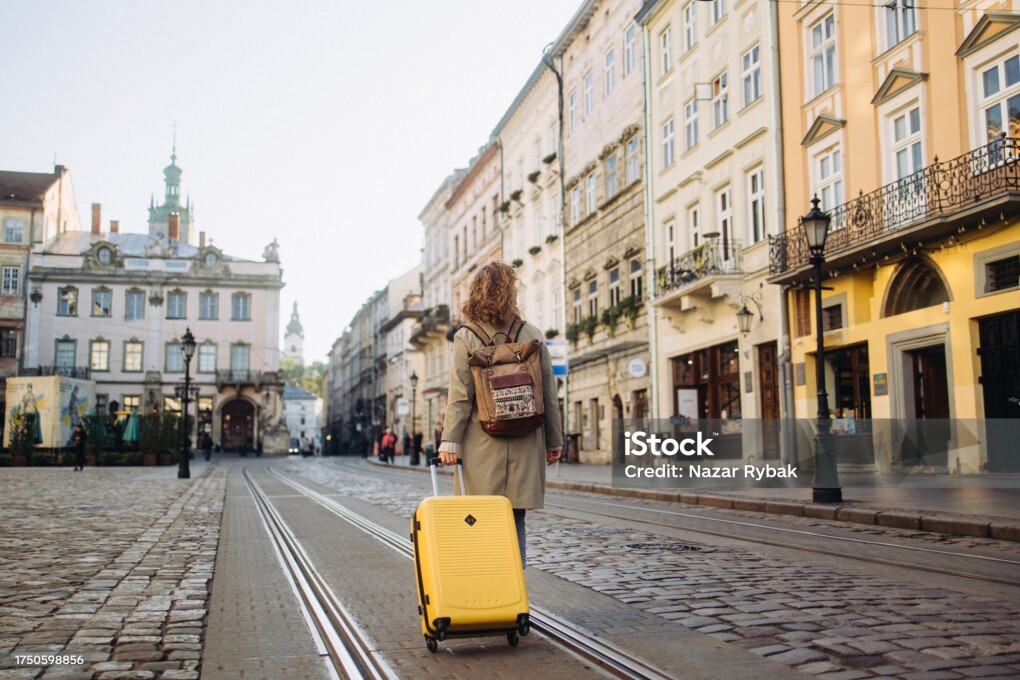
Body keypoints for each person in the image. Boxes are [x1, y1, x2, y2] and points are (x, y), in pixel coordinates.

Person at [438, 261, 563, 567]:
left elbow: (460, 395)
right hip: (527, 436)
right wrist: (554, 441)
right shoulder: (531, 333)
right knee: (515, 516)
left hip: (482, 440)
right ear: (511, 293)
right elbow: (549, 392)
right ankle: (514, 588)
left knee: (478, 516)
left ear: (476, 293)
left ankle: (484, 581)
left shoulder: (466, 336)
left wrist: (449, 441)